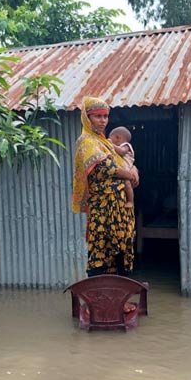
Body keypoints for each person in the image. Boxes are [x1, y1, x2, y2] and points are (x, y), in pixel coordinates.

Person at [72, 96, 139, 278]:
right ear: (87, 118)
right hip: (102, 207)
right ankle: (98, 299)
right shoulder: (87, 141)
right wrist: (129, 175)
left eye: (105, 116)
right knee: (100, 249)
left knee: (121, 249)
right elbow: (104, 168)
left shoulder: (106, 142)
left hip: (120, 206)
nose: (103, 121)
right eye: (97, 116)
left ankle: (119, 299)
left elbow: (124, 162)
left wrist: (134, 171)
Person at [108, 126, 135, 208]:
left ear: (117, 137)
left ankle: (131, 201)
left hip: (127, 168)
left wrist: (111, 144)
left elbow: (122, 152)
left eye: (111, 139)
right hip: (122, 168)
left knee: (127, 184)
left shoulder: (126, 145)